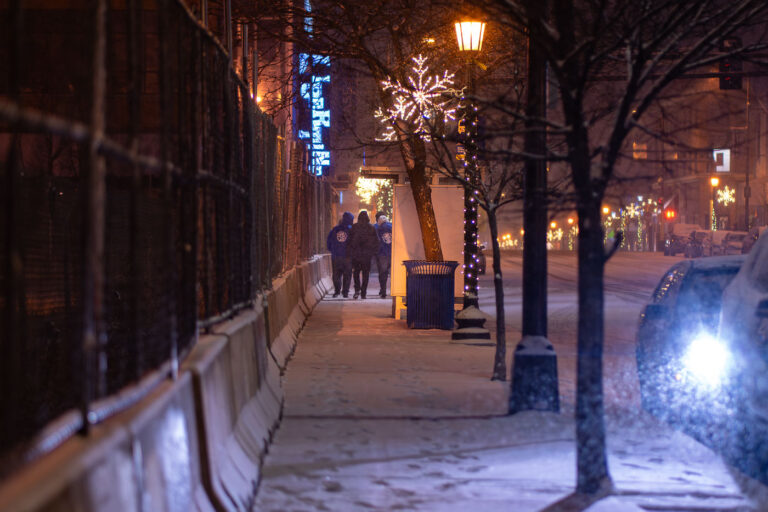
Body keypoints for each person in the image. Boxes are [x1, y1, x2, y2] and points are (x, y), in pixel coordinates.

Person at [347, 210, 380, 299]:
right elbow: (377, 241)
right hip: (367, 256)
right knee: (366, 274)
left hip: (356, 255)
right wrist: (373, 252)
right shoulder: (371, 228)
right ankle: (363, 292)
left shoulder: (354, 227)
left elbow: (349, 241)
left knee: (356, 273)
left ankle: (357, 289)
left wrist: (350, 252)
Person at [326, 212, 354, 297]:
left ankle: (337, 290)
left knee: (336, 274)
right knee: (347, 274)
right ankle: (345, 292)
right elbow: (354, 243)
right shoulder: (351, 230)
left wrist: (332, 250)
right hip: (348, 256)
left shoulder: (335, 229)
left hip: (336, 256)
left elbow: (329, 241)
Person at [374, 213, 392, 298]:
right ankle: (395, 290)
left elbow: (376, 241)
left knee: (383, 273)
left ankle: (383, 290)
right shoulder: (392, 227)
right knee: (393, 273)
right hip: (392, 253)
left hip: (382, 254)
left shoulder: (378, 228)